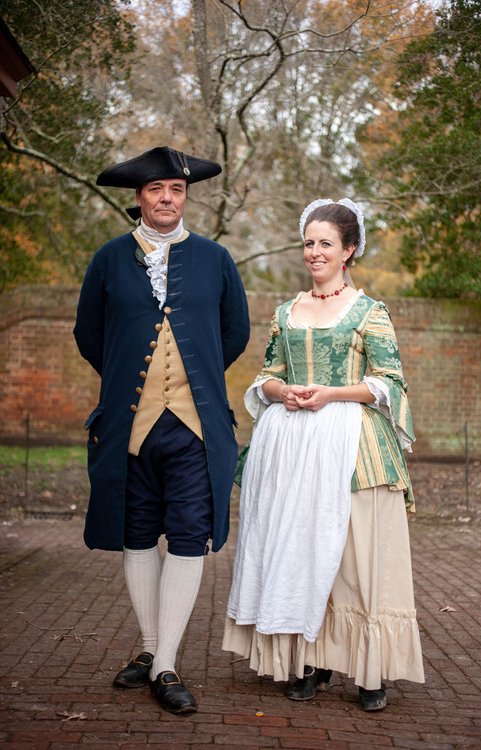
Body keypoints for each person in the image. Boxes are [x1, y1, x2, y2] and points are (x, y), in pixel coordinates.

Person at [222, 198, 424, 711]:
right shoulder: (287, 311)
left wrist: (333, 393)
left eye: (325, 243)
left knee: (355, 559)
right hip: (293, 448)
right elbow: (265, 375)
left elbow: (389, 383)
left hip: (353, 447)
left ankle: (370, 669)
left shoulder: (369, 312)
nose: (314, 251)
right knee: (303, 552)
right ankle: (311, 662)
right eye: (309, 242)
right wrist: (279, 391)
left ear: (348, 250)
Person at [74, 145, 250, 715]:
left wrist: (195, 376)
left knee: (190, 535)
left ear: (185, 195)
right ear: (139, 198)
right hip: (131, 427)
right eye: (156, 190)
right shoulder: (107, 259)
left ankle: (166, 662)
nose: (167, 198)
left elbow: (235, 332)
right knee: (137, 534)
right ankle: (151, 650)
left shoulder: (216, 258)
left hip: (196, 429)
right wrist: (130, 375)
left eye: (175, 188)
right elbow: (89, 334)